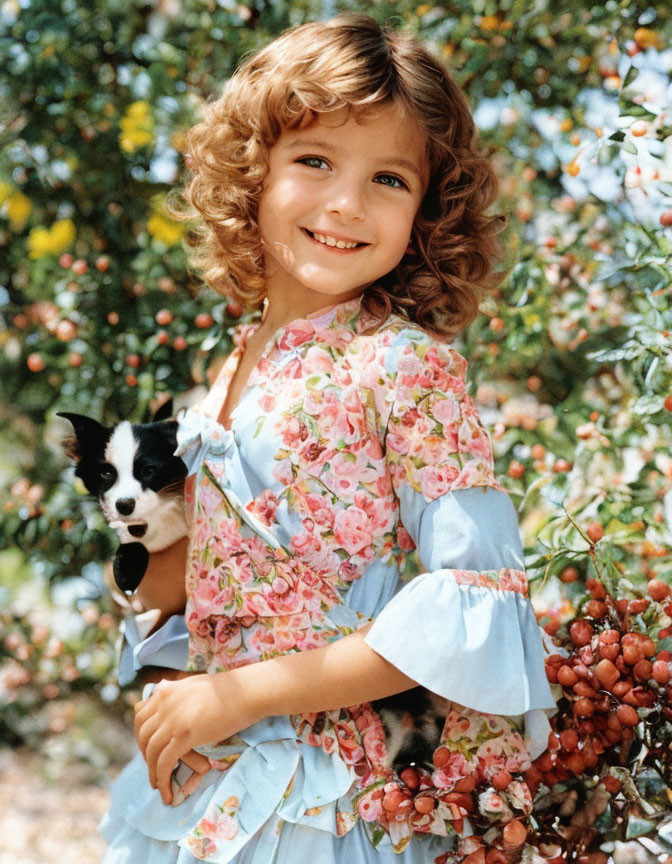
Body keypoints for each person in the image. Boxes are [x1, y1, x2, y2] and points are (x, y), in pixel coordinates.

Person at [100, 14, 556, 864]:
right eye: (314, 160)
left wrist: (238, 693)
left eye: (389, 178)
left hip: (344, 798)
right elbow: (207, 589)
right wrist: (170, 678)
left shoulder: (404, 364)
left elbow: (478, 597)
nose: (347, 203)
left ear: (427, 210)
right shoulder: (233, 365)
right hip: (233, 778)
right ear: (252, 172)